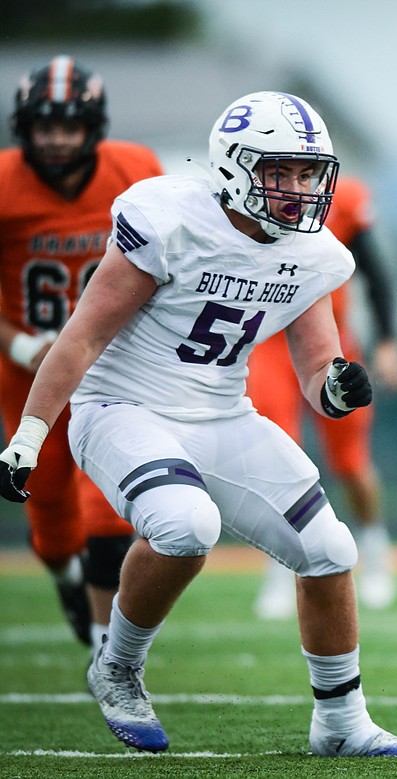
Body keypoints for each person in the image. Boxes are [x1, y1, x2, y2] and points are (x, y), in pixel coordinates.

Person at [0, 90, 397, 758]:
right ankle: (116, 663)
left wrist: (338, 387)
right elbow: (80, 338)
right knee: (186, 525)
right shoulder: (170, 219)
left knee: (331, 551)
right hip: (122, 407)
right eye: (281, 170)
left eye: (309, 173)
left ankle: (341, 721)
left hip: (222, 413)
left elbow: (317, 373)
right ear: (235, 166)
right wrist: (29, 434)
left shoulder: (313, 252)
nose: (300, 188)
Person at [0, 55, 163, 651]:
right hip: (29, 369)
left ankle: (106, 648)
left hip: (112, 365)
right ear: (26, 129)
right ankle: (70, 583)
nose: (58, 139)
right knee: (51, 527)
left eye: (69, 126)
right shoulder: (3, 182)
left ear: (93, 127)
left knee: (104, 513)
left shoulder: (135, 169)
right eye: (46, 127)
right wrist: (18, 342)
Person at [251, 175, 397, 619]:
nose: (295, 181)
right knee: (277, 456)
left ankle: (375, 552)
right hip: (271, 342)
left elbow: (374, 271)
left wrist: (388, 340)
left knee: (351, 462)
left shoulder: (345, 199)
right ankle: (281, 567)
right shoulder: (245, 196)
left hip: (332, 340)